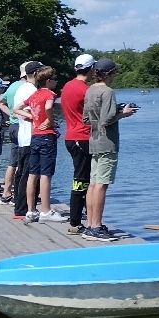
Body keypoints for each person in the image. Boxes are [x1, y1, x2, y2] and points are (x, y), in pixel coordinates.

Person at [82, 58, 136, 241]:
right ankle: (96, 227)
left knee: (93, 183)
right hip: (107, 142)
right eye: (115, 72)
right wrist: (123, 113)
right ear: (109, 74)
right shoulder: (108, 91)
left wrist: (114, 111)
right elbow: (107, 120)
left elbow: (86, 119)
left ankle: (90, 224)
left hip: (94, 140)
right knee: (101, 185)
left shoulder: (90, 90)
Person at [59, 54, 96, 234]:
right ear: (90, 69)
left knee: (80, 179)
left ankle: (79, 218)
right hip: (82, 137)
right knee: (81, 181)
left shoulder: (67, 86)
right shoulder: (85, 90)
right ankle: (75, 222)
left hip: (70, 136)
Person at [19, 66, 60, 222]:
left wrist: (31, 117)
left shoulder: (34, 95)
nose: (56, 82)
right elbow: (49, 106)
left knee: (32, 173)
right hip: (47, 137)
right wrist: (49, 120)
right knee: (46, 174)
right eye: (54, 79)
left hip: (35, 136)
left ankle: (31, 210)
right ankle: (46, 211)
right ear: (48, 81)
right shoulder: (49, 94)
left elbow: (17, 109)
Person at [1, 61, 42, 215]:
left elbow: (15, 110)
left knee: (21, 172)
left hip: (22, 135)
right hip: (30, 136)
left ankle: (19, 206)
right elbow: (28, 112)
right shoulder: (31, 89)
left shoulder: (21, 87)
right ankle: (23, 208)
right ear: (36, 73)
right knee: (28, 173)